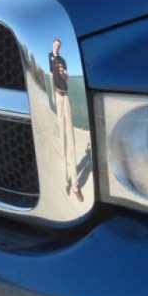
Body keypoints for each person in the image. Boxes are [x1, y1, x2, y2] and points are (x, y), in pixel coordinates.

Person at [49, 39, 83, 202]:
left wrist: (63, 73)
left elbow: (67, 76)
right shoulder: (50, 57)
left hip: (66, 96)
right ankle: (65, 181)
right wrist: (53, 98)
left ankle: (75, 185)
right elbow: (50, 77)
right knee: (62, 140)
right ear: (52, 45)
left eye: (59, 45)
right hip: (57, 96)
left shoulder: (62, 60)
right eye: (56, 44)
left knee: (71, 141)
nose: (57, 46)